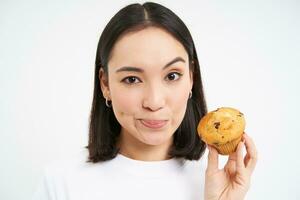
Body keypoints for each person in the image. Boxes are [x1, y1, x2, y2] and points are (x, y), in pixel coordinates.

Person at [32, 2, 257, 200]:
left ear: (191, 78)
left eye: (172, 76)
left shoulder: (222, 184)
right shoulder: (60, 183)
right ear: (105, 84)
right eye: (132, 79)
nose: (154, 101)